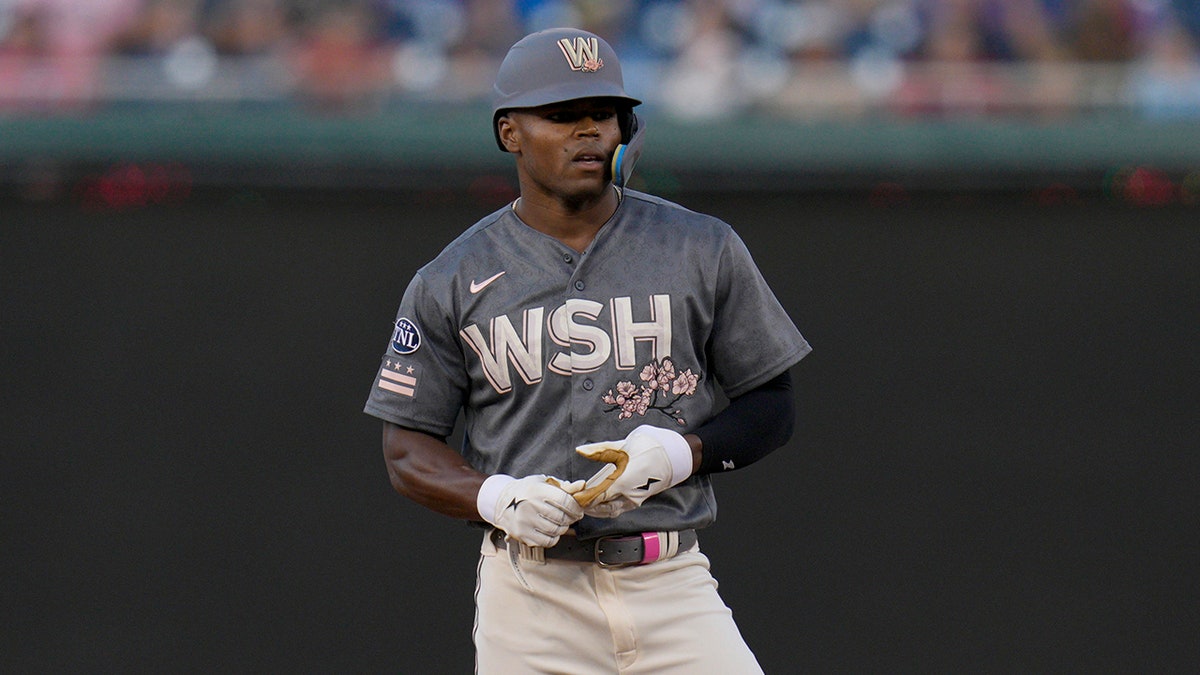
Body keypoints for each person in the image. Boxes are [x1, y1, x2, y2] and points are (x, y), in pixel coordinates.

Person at [364, 27, 811, 674]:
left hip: (672, 582)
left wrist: (679, 452)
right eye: (561, 115)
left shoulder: (698, 246)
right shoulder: (453, 277)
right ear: (509, 132)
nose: (588, 131)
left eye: (601, 113)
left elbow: (773, 405)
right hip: (532, 599)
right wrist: (496, 496)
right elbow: (406, 449)